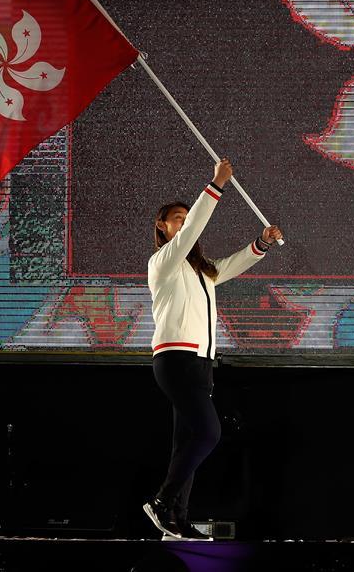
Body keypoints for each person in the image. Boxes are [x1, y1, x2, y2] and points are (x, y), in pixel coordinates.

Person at [142, 157, 283, 540]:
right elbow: (190, 234)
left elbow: (233, 265)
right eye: (176, 218)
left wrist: (262, 243)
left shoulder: (201, 270)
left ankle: (177, 520)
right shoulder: (163, 262)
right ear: (162, 226)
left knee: (187, 441)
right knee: (207, 434)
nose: (183, 223)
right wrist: (216, 185)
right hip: (175, 359)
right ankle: (161, 501)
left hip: (200, 364)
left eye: (186, 217)